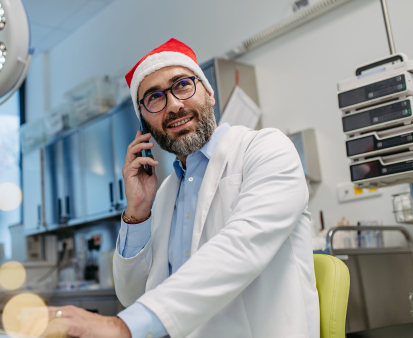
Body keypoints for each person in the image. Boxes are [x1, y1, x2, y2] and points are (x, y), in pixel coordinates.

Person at [45, 38, 320, 338]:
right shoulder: (163, 194)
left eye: (183, 85)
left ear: (209, 93)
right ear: (144, 124)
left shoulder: (266, 149)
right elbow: (132, 295)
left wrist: (123, 325)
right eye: (154, 98)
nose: (174, 105)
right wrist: (137, 212)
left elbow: (240, 249)